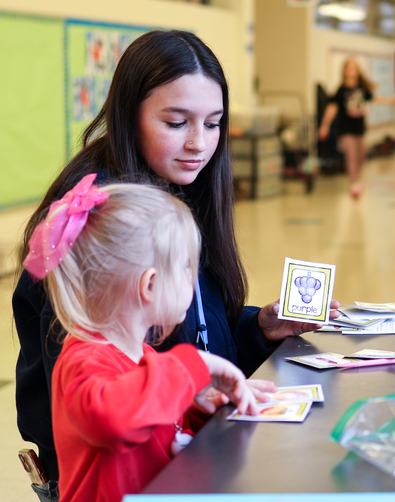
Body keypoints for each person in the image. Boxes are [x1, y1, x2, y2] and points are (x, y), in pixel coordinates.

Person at [12, 29, 339, 501]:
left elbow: (193, 328)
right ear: (130, 116)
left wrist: (256, 328)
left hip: (171, 460)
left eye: (213, 123)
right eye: (176, 122)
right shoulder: (105, 222)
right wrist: (191, 371)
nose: (198, 144)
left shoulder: (178, 187)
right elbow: (99, 402)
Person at [23, 176, 265, 502]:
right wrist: (192, 365)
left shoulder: (143, 355)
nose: (194, 282)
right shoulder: (83, 359)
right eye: (186, 268)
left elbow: (156, 425)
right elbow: (112, 419)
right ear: (149, 286)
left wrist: (203, 407)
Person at [317, 58, 395, 199]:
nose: (352, 71)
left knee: (361, 155)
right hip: (345, 129)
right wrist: (325, 126)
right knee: (351, 155)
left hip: (359, 128)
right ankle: (354, 182)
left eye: (354, 68)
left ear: (358, 72)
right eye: (349, 68)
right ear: (344, 71)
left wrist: (391, 101)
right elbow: (332, 108)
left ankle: (358, 179)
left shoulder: (361, 89)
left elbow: (374, 99)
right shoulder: (341, 90)